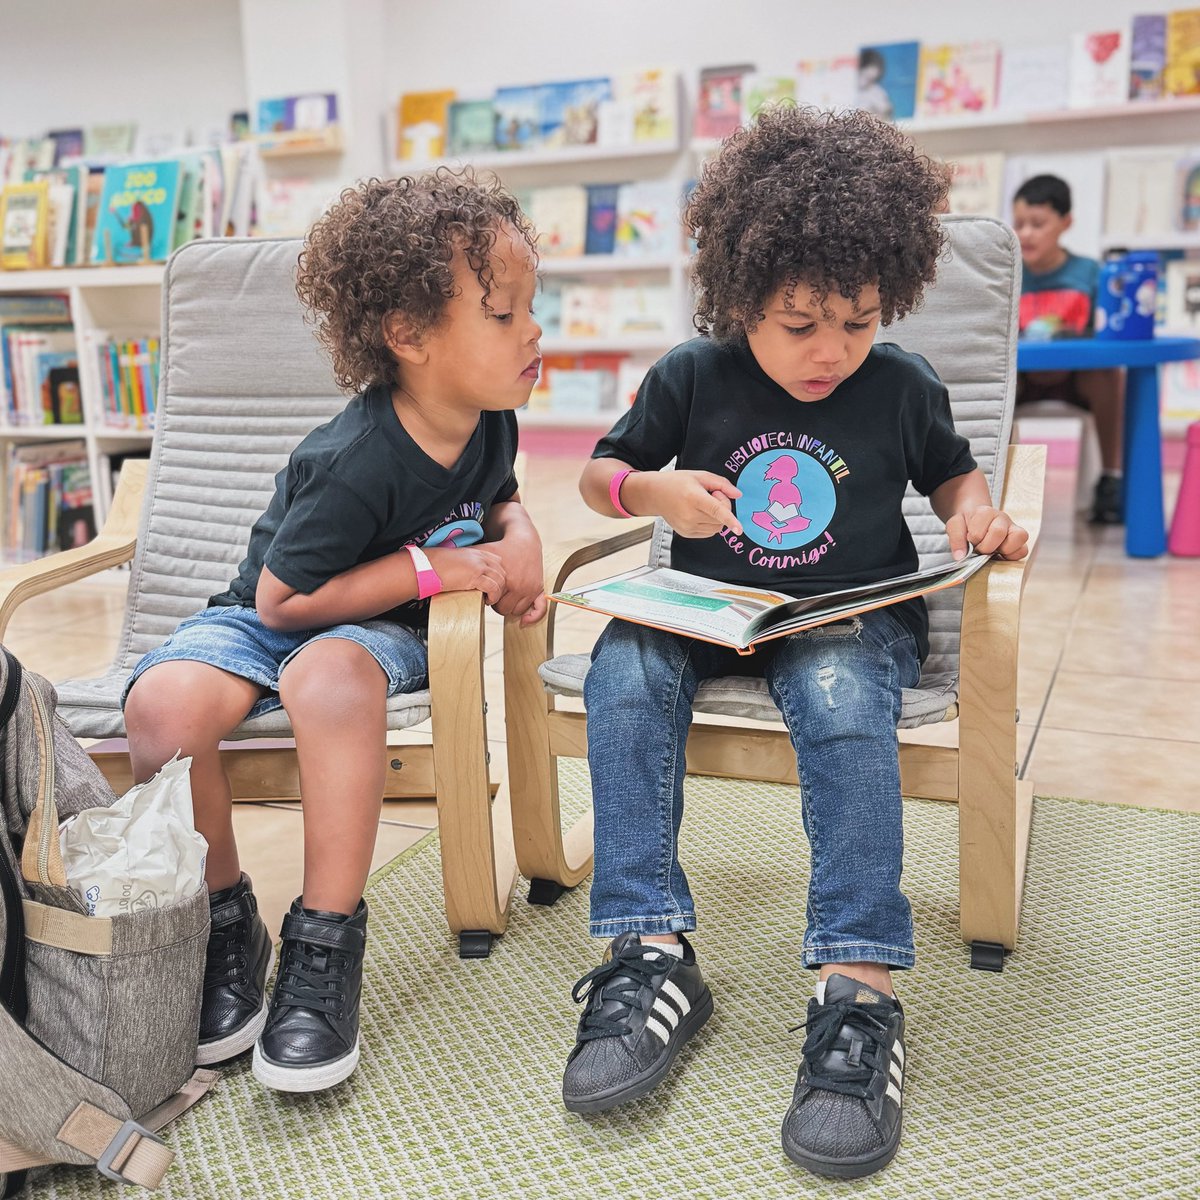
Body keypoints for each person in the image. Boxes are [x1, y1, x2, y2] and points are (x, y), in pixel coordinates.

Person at [562, 106, 1029, 1180]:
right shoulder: (691, 374)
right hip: (705, 614)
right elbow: (600, 476)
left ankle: (859, 989)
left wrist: (975, 508)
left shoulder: (902, 384)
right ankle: (650, 954)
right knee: (624, 670)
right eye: (798, 322)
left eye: (859, 320)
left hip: (847, 620)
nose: (831, 350)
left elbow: (954, 472)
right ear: (739, 299)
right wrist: (649, 489)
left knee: (838, 702)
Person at [123, 169, 546, 1093]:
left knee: (328, 681)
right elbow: (279, 603)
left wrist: (522, 539)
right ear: (408, 338)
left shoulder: (490, 421)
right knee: (163, 704)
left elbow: (500, 501)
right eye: (504, 315)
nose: (533, 333)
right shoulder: (354, 459)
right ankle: (223, 926)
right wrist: (433, 570)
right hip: (272, 612)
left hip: (373, 630)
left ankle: (322, 947)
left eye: (528, 310)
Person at [1012, 173, 1125, 524]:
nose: (1026, 233)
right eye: (1019, 223)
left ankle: (1110, 479)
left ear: (1066, 223)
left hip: (1074, 380)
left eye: (1038, 223)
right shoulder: (1007, 273)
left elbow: (1104, 333)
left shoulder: (1088, 273)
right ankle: (993, 479)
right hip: (1022, 381)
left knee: (1109, 376)